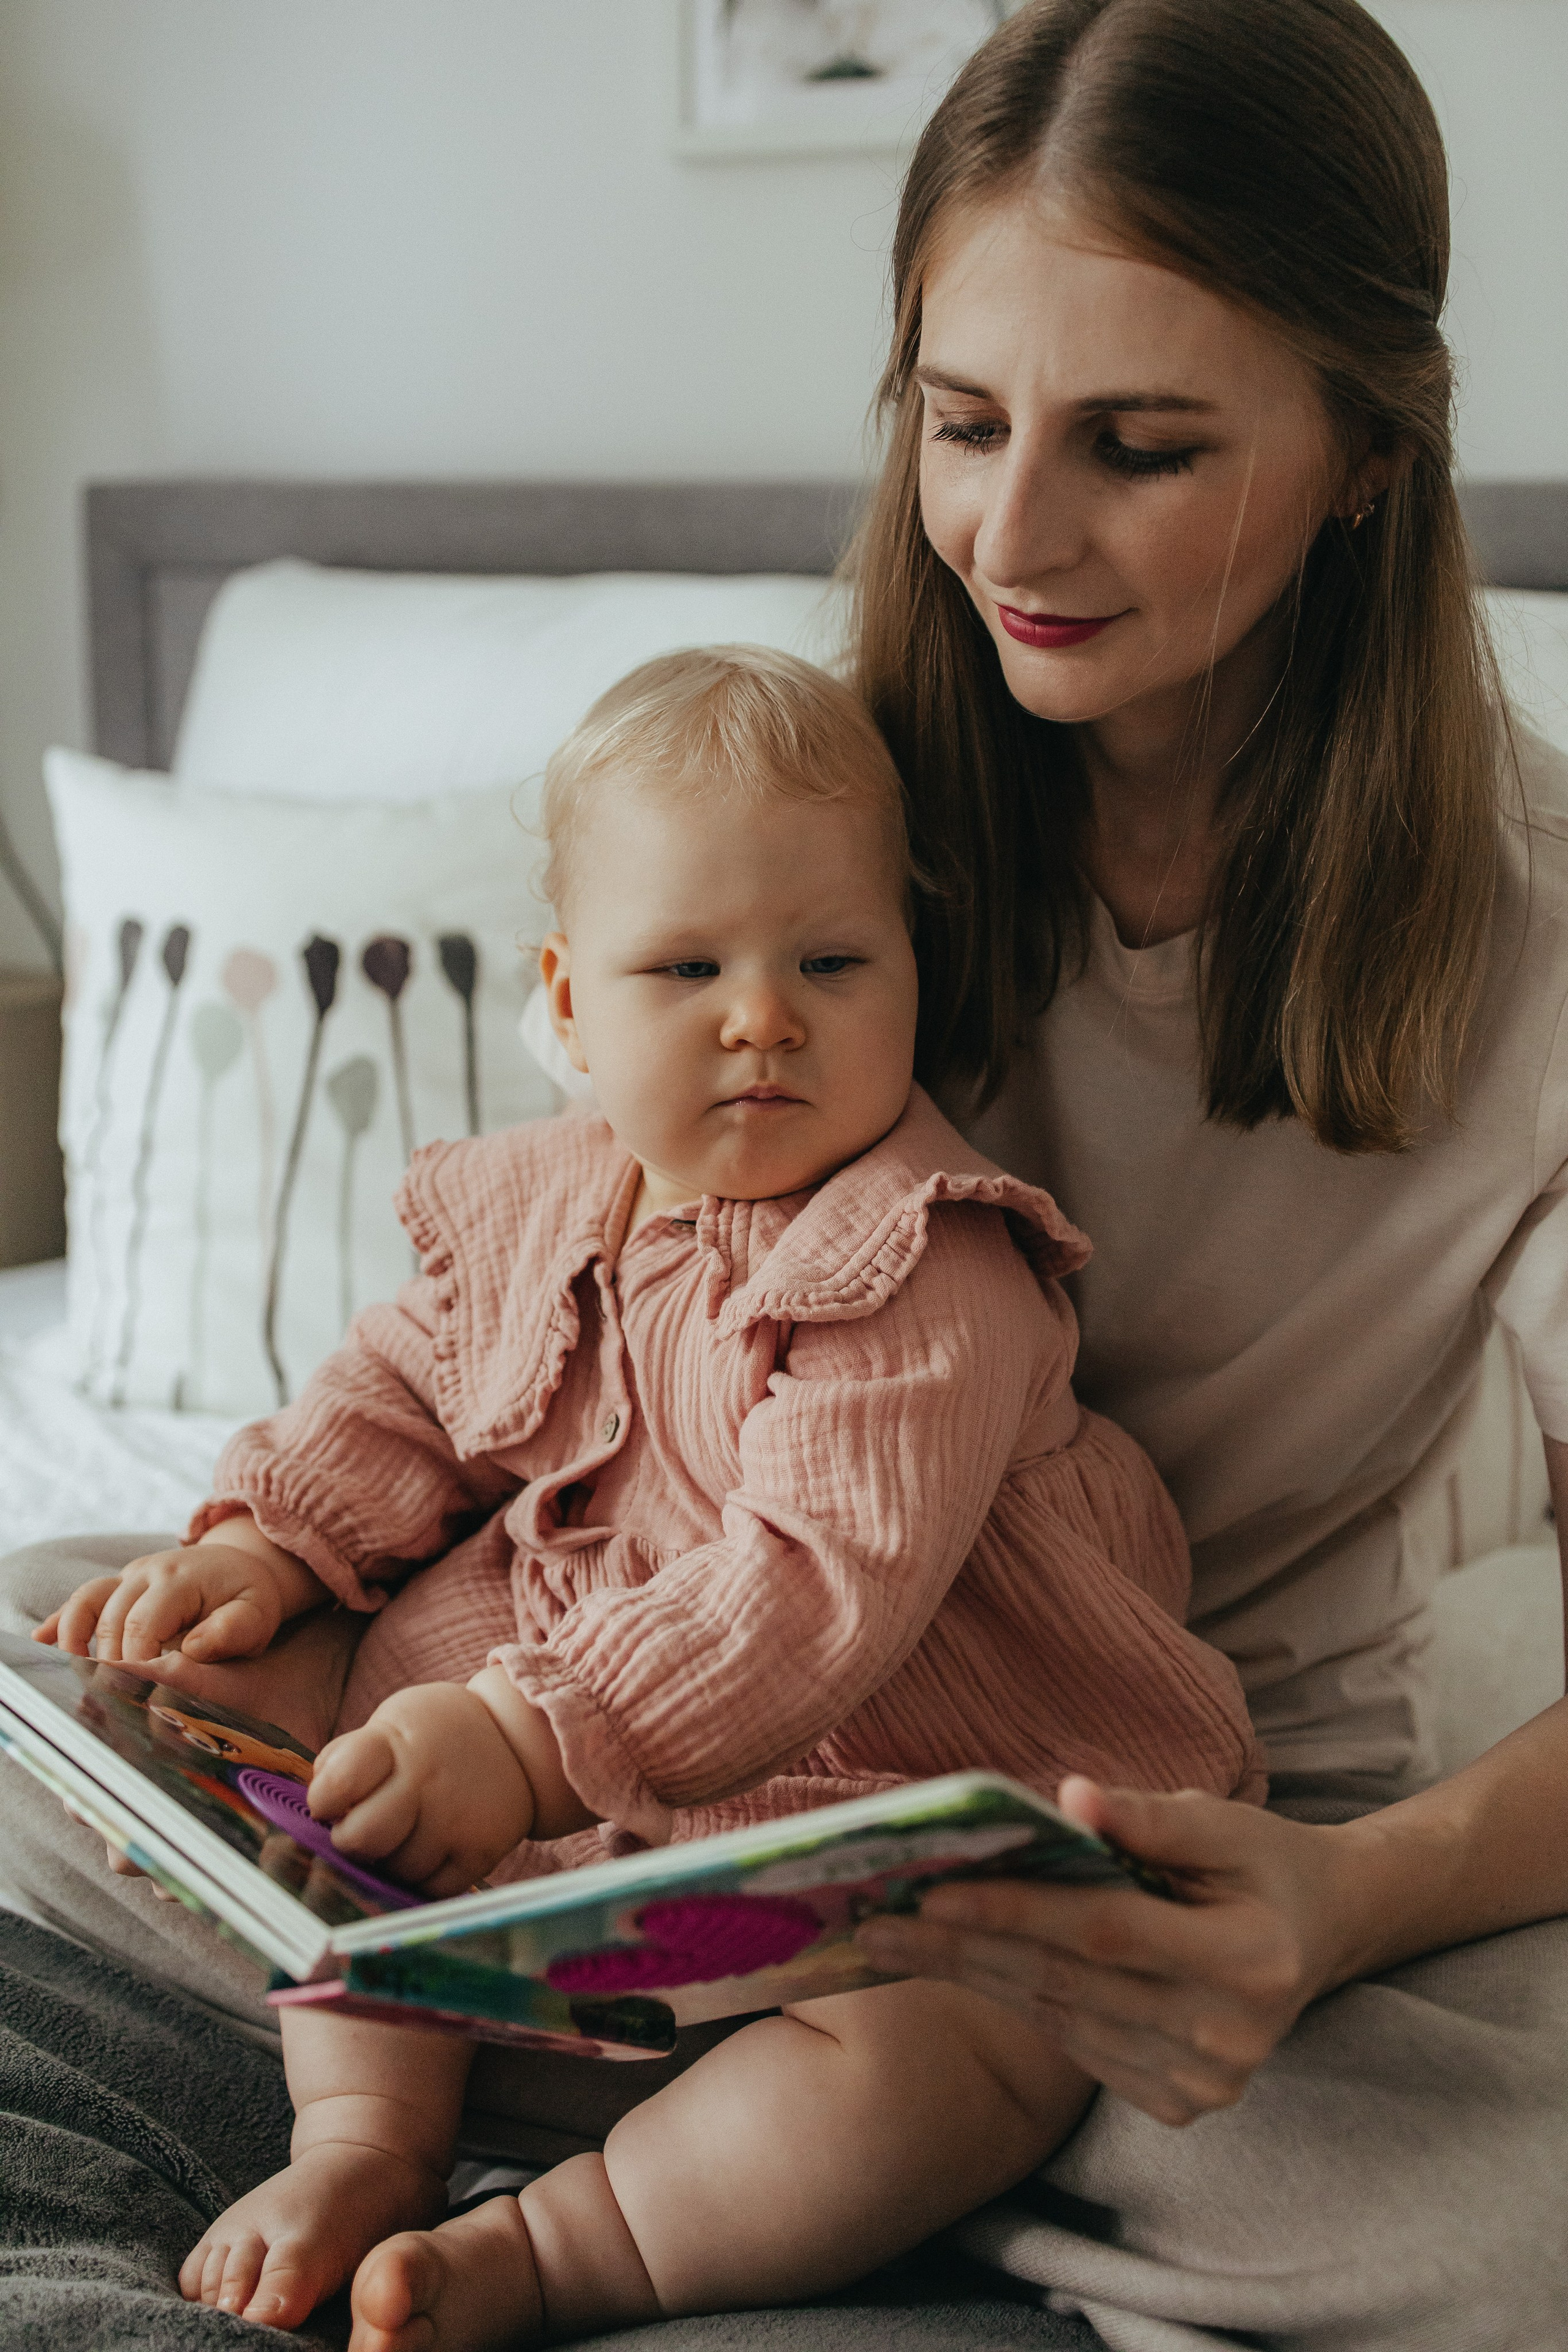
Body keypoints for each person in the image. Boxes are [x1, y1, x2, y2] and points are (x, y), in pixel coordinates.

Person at [36, 645, 1262, 2351]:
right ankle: (369, 2136)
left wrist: (534, 1737)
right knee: (234, 1710)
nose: (763, 1015)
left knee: (971, 2055)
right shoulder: (547, 1196)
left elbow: (813, 1580)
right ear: (565, 1001)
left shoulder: (931, 1262)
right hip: (576, 1765)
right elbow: (404, 1387)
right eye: (685, 966)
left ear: (918, 968)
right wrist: (273, 1542)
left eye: (832, 960)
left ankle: (567, 2249)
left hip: (886, 1813)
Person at [801, 0, 1568, 2343]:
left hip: (1221, 1835)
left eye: (1137, 446)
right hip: (754, 1735)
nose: (1012, 537)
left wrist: (1338, 1914)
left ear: (1363, 451)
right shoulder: (816, 817)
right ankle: (863, 2127)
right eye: (962, 422)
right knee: (63, 1677)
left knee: (1503, 2231)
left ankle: (825, 2132)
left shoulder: (1545, 948)